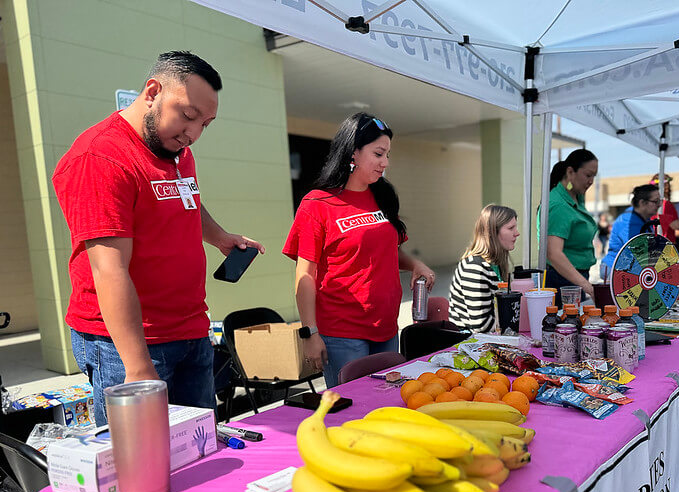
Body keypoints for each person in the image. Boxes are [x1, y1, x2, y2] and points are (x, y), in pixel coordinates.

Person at [54, 51, 265, 427]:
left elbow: (187, 200)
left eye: (206, 123)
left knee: (199, 449)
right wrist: (138, 368)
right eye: (187, 116)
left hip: (191, 329)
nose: (194, 133)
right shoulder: (100, 158)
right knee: (145, 466)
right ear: (152, 91)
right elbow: (109, 271)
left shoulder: (176, 151)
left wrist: (219, 237)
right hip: (128, 346)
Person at [283, 113, 434, 387]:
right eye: (378, 154)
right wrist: (310, 333)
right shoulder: (317, 204)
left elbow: (388, 250)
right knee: (354, 415)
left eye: (387, 154)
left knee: (386, 405)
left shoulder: (382, 196)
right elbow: (304, 275)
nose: (385, 163)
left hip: (386, 328)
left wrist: (416, 265)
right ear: (353, 152)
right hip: (342, 333)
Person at [449, 205, 520, 332]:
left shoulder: (496, 264)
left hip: (491, 338)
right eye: (510, 228)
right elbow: (480, 325)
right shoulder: (474, 267)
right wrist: (513, 329)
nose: (517, 233)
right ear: (492, 232)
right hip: (468, 343)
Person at [546, 149, 599, 304]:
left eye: (594, 177)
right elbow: (553, 254)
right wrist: (585, 285)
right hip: (564, 280)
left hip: (574, 278)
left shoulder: (576, 197)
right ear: (570, 172)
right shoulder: (558, 204)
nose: (591, 181)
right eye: (588, 175)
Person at [599, 184, 660, 280]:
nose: (659, 204)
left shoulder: (644, 218)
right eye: (655, 201)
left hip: (629, 268)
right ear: (642, 203)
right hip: (614, 269)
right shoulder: (627, 222)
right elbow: (638, 253)